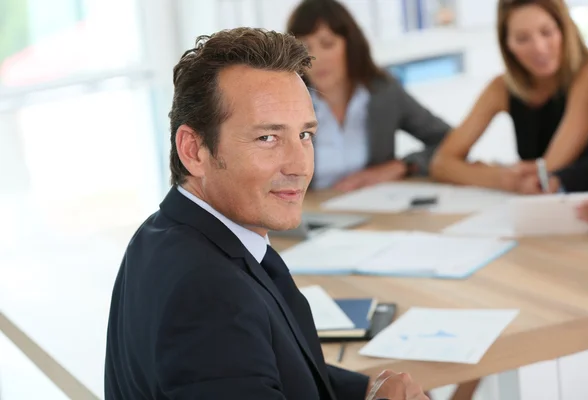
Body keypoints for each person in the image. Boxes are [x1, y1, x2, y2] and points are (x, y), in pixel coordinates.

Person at [104, 27, 428, 400]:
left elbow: (274, 371)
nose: (298, 165)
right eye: (267, 138)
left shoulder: (167, 232)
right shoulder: (209, 295)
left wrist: (368, 390)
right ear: (193, 150)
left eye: (304, 135)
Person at [431, 0, 588, 194]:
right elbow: (442, 164)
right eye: (522, 39)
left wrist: (483, 173)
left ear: (565, 30)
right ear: (507, 45)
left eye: (546, 32)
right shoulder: (501, 88)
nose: (539, 48)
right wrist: (502, 177)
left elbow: (546, 173)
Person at [287, 0, 451, 192]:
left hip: (374, 212)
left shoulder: (383, 92)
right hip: (305, 216)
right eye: (305, 48)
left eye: (327, 44)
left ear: (351, 45)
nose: (316, 59)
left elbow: (449, 140)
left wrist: (402, 166)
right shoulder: (287, 102)